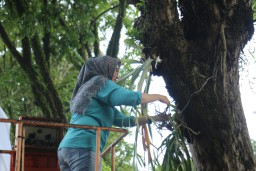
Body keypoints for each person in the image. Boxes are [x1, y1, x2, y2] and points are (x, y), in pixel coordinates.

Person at [57, 56, 170, 171]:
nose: (118, 75)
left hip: (65, 149)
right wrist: (158, 97)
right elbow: (126, 97)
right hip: (84, 146)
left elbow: (124, 120)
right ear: (106, 68)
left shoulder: (87, 91)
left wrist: (155, 118)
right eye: (116, 70)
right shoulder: (99, 82)